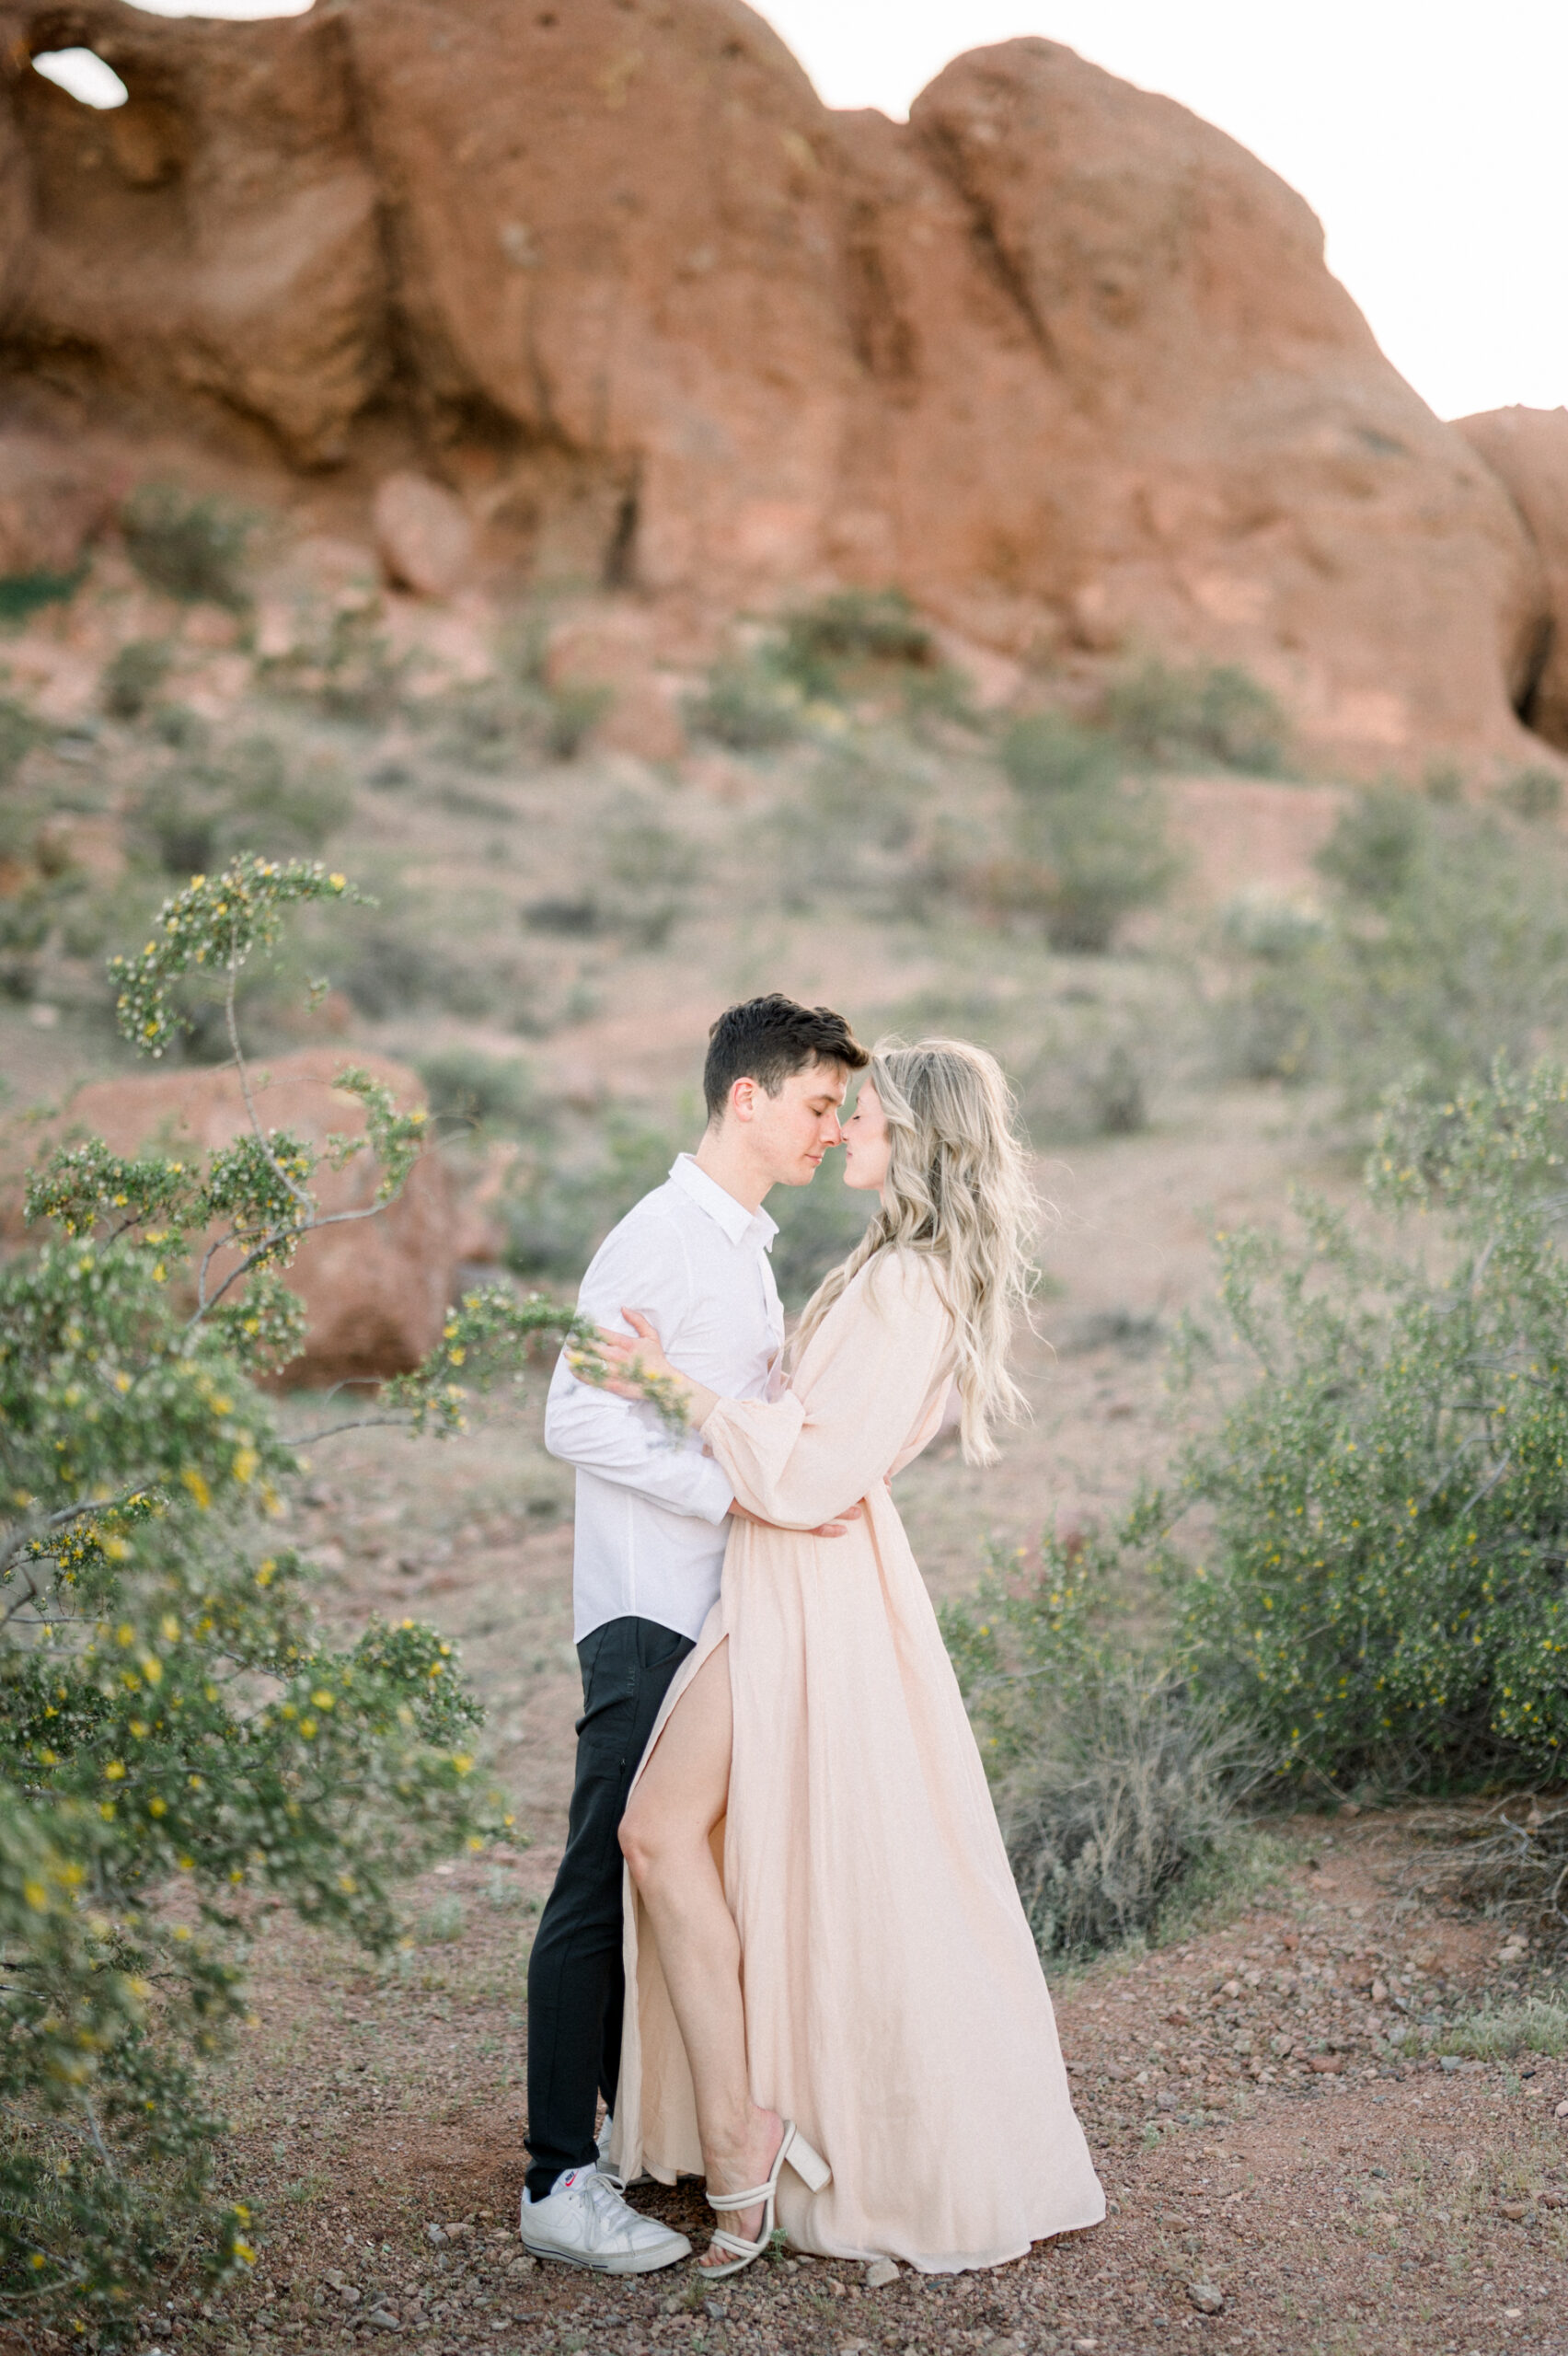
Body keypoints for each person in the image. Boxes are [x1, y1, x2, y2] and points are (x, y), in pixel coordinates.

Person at [582, 1039, 1105, 2277]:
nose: (842, 1128)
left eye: (860, 1112)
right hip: (791, 1577)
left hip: (806, 1588)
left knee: (663, 1836)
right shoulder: (890, 1265)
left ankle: (744, 2141)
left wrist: (669, 1383)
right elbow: (808, 1436)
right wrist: (713, 1394)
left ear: (913, 1135)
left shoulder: (907, 1282)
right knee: (668, 1838)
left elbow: (808, 1470)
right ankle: (739, 2134)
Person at [521, 994, 870, 2273]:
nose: (831, 1133)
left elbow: (715, 1408)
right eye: (819, 1107)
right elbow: (573, 1414)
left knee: (667, 1883)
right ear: (748, 1097)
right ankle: (556, 2176)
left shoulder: (743, 1249)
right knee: (597, 1880)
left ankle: (633, 2137)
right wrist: (727, 1487)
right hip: (645, 1603)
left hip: (717, 1606)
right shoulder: (658, 1238)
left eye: (840, 1114)